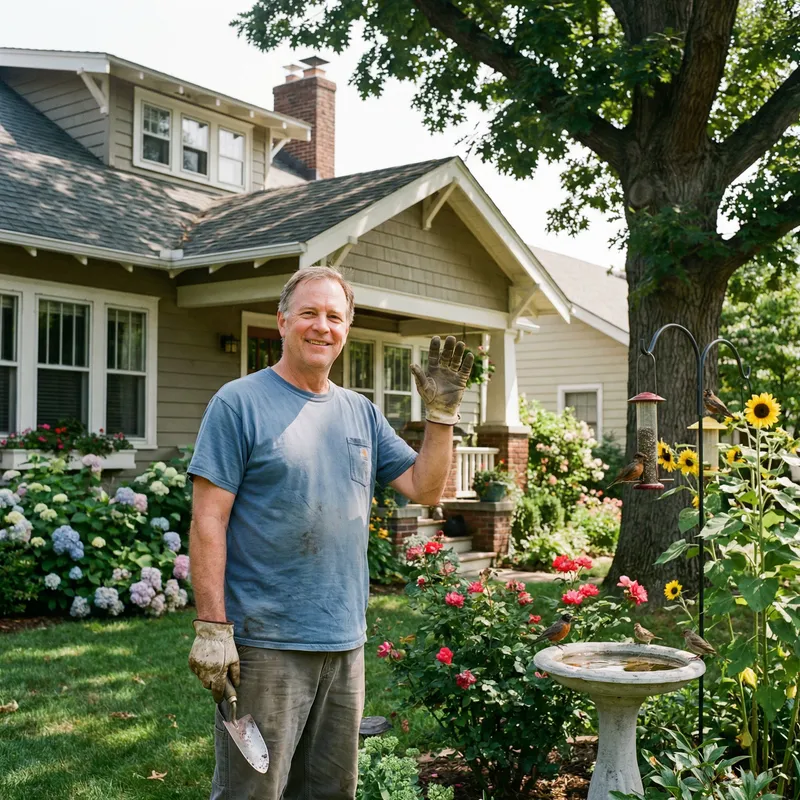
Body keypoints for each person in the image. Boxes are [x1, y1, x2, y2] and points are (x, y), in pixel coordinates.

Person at [186, 265, 473, 799]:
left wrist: (441, 415)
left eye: (335, 317)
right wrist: (212, 628)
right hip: (264, 643)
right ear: (282, 321)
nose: (322, 326)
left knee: (330, 791)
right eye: (309, 313)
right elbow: (208, 520)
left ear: (346, 329)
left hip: (343, 640)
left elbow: (426, 487)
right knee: (254, 792)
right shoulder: (238, 403)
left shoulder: (360, 412)